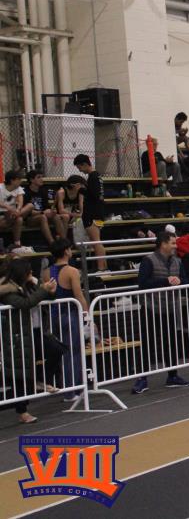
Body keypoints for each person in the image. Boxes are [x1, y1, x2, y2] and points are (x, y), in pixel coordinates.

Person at [133, 231, 189, 394]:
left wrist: (180, 281)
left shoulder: (177, 261)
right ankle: (142, 378)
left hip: (170, 308)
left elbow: (185, 280)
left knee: (171, 343)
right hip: (150, 308)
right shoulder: (148, 260)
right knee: (147, 344)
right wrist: (165, 281)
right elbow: (143, 284)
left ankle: (172, 375)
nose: (175, 246)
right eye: (173, 243)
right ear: (163, 244)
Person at [0, 258, 57, 424]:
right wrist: (43, 290)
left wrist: (47, 289)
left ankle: (39, 380)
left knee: (56, 350)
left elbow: (46, 298)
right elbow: (26, 303)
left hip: (34, 331)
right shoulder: (7, 289)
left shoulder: (28, 284)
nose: (31, 273)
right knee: (19, 374)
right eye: (29, 271)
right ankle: (23, 411)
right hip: (16, 336)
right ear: (21, 273)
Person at [48, 239, 87, 401]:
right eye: (70, 249)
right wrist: (87, 313)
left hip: (54, 315)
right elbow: (79, 295)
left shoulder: (46, 271)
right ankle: (72, 391)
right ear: (66, 251)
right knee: (73, 353)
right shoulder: (72, 271)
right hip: (70, 314)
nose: (71, 251)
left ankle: (71, 389)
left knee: (63, 352)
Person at [73, 155, 107, 272]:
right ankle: (103, 267)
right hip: (98, 212)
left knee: (96, 242)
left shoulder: (93, 176)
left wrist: (81, 189)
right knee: (97, 242)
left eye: (79, 167)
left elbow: (94, 194)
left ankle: (101, 268)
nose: (80, 170)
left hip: (92, 214)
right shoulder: (97, 176)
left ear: (84, 164)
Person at [25, 170, 63, 244]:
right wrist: (42, 212)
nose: (41, 179)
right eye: (38, 177)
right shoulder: (26, 192)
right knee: (43, 217)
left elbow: (46, 207)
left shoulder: (43, 191)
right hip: (30, 218)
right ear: (31, 180)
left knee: (56, 216)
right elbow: (28, 212)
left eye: (42, 177)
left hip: (43, 215)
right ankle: (52, 243)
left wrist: (52, 211)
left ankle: (63, 242)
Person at [0, 170, 28, 248]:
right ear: (12, 180)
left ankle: (17, 244)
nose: (21, 181)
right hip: (2, 213)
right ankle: (17, 244)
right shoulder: (0, 187)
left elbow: (20, 201)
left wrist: (18, 210)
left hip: (13, 214)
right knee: (19, 219)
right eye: (18, 179)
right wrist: (7, 207)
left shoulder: (19, 188)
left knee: (29, 206)